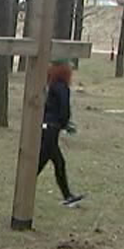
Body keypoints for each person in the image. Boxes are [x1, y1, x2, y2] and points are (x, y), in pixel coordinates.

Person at [39, 59, 85, 207]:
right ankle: (23, 188)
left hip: (47, 128)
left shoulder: (52, 85)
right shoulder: (61, 87)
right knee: (45, 162)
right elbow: (64, 109)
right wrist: (65, 123)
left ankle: (67, 196)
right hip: (51, 129)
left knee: (58, 162)